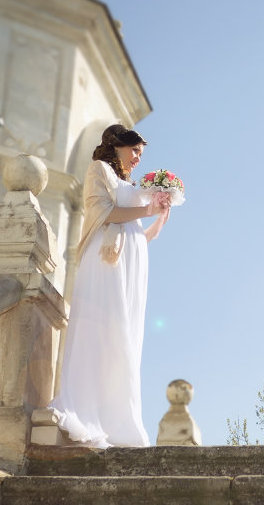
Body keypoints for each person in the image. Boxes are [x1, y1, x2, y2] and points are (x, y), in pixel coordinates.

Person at [48, 124, 172, 447]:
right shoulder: (99, 170)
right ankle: (90, 411)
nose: (137, 159)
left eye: (141, 155)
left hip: (130, 269)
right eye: (134, 151)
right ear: (116, 145)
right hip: (106, 265)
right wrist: (147, 208)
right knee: (107, 331)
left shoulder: (127, 183)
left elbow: (135, 235)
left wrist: (157, 222)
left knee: (126, 337)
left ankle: (119, 420)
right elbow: (103, 214)